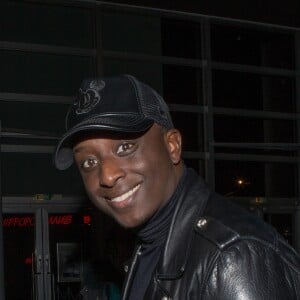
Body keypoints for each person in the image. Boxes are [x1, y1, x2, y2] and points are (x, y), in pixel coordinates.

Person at [54, 74, 300, 299]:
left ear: (172, 146)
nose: (106, 175)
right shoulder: (148, 247)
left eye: (125, 148)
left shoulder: (233, 258)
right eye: (89, 161)